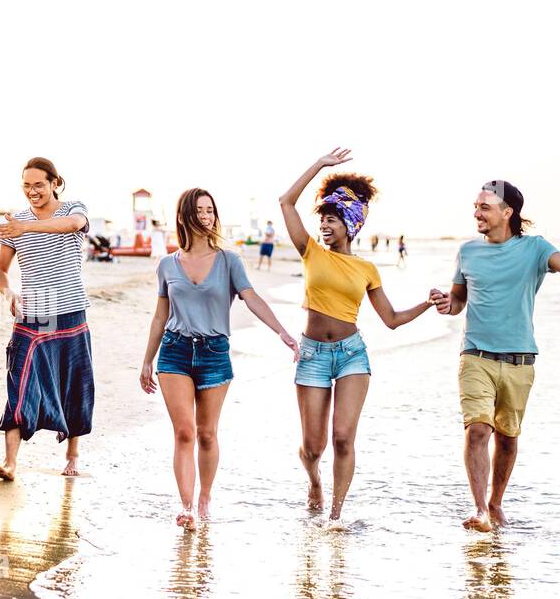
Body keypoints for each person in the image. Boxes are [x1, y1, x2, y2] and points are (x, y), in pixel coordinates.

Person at [278, 148, 434, 524]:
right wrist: (318, 165)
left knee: (344, 437)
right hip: (313, 354)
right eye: (324, 220)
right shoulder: (310, 251)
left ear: (351, 224)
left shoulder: (366, 269)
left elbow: (392, 319)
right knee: (313, 447)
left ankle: (335, 516)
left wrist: (427, 304)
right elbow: (286, 202)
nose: (325, 226)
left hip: (352, 356)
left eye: (332, 220)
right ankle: (314, 479)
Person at [428, 181, 560, 532]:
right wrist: (448, 304)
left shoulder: (534, 249)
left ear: (508, 212)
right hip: (475, 356)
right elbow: (458, 301)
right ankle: (479, 510)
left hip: (520, 359)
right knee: (477, 430)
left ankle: (495, 503)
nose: (476, 213)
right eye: (475, 206)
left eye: (484, 207)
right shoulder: (468, 252)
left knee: (507, 437)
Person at [140, 189, 299, 529]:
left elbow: (251, 297)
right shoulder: (167, 264)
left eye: (210, 210)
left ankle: (204, 496)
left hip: (214, 353)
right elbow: (159, 316)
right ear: (184, 216)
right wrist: (146, 360)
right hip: (175, 351)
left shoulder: (230, 260)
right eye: (199, 210)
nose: (206, 216)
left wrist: (282, 332)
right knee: (184, 432)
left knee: (207, 434)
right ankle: (185, 507)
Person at [0, 157, 94, 480]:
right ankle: (10, 462)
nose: (32, 191)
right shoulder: (16, 222)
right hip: (35, 309)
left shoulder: (72, 208)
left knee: (73, 382)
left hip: (70, 307)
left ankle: (72, 454)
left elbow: (73, 225)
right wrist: (9, 294)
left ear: (54, 183)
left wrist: (27, 226)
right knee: (19, 379)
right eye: (26, 185)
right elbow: (0, 271)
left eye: (38, 185)